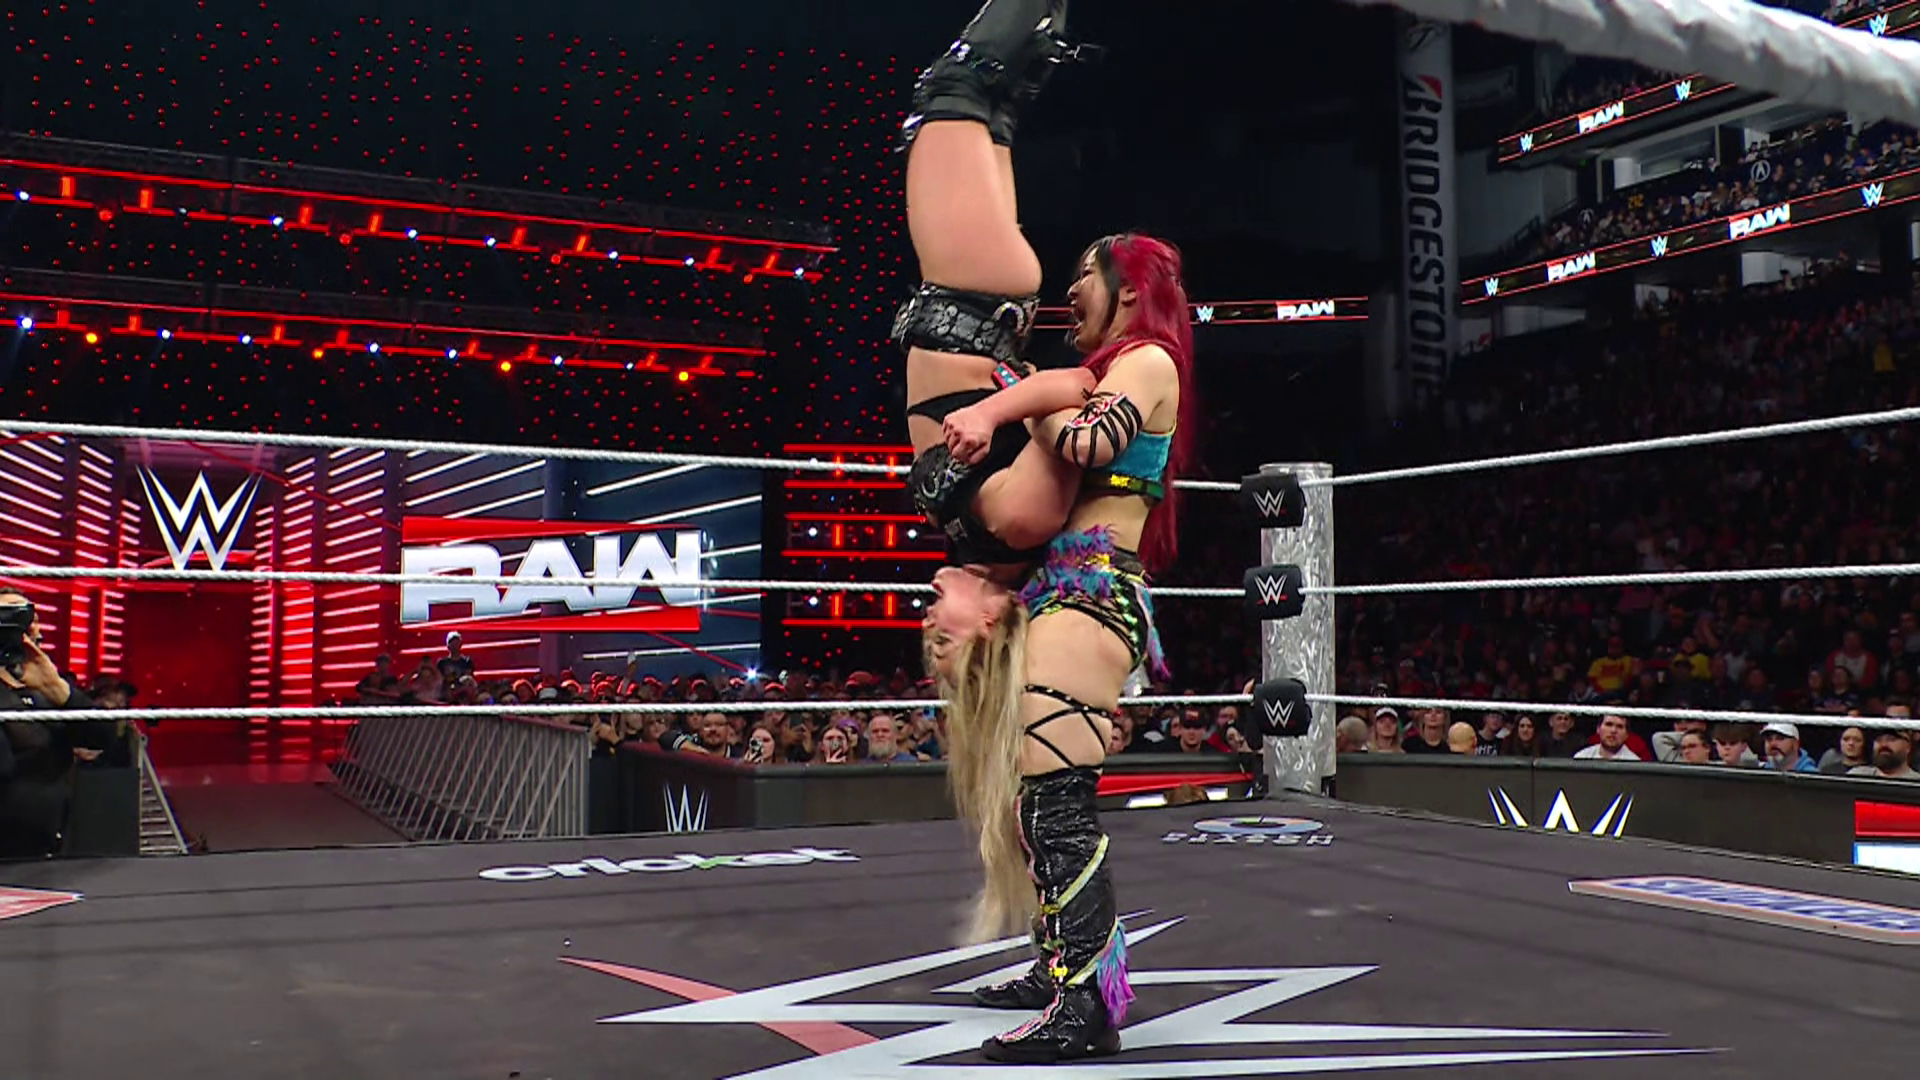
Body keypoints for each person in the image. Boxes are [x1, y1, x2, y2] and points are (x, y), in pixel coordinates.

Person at [895, 0, 1101, 586]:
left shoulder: (990, 535)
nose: (932, 609)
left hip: (968, 301)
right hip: (971, 297)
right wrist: (996, 408)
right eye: (941, 627)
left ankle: (1043, 34)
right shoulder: (1021, 521)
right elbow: (1080, 390)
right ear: (992, 619)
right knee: (953, 89)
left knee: (995, 106)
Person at [0, 588, 106, 858]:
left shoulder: (49, 689)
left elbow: (103, 737)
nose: (23, 626)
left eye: (29, 618)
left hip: (51, 851)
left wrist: (59, 690)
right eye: (8, 617)